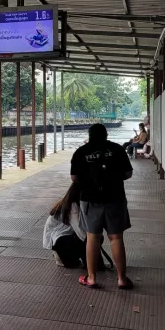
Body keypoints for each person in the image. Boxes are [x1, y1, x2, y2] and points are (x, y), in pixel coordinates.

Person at [71, 123, 134, 290]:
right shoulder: (117, 149)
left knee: (92, 237)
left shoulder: (81, 152)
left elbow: (74, 178)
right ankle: (122, 279)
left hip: (90, 199)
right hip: (115, 198)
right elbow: (128, 173)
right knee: (116, 237)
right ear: (106, 134)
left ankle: (91, 278)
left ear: (89, 135)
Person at [43, 182, 87, 268]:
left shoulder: (69, 202)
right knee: (90, 240)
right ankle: (61, 257)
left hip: (63, 236)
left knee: (90, 240)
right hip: (60, 238)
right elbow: (81, 233)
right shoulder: (73, 206)